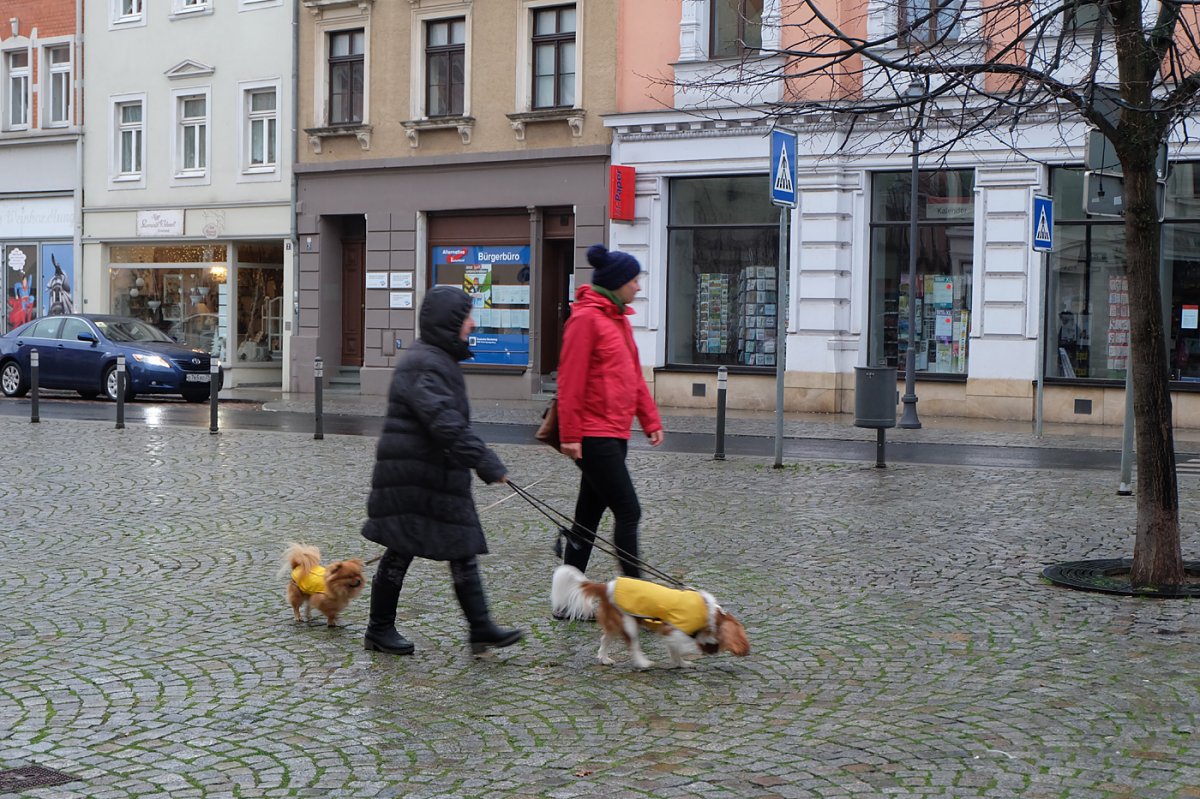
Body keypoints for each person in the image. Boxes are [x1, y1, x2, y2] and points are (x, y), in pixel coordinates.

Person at [361, 285, 523, 656]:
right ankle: (378, 630)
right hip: (413, 477)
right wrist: (485, 460)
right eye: (466, 316)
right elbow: (445, 422)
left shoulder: (436, 358)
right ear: (449, 322)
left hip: (434, 474)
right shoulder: (425, 363)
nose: (472, 323)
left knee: (461, 548)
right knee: (400, 550)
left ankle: (480, 628)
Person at [555, 244, 665, 592]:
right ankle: (638, 598)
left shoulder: (617, 320)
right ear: (617, 282)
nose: (639, 286)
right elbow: (570, 380)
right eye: (634, 280)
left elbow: (633, 377)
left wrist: (650, 420)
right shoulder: (586, 318)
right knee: (629, 511)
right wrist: (570, 434)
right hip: (592, 434)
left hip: (615, 432)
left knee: (587, 517)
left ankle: (566, 598)